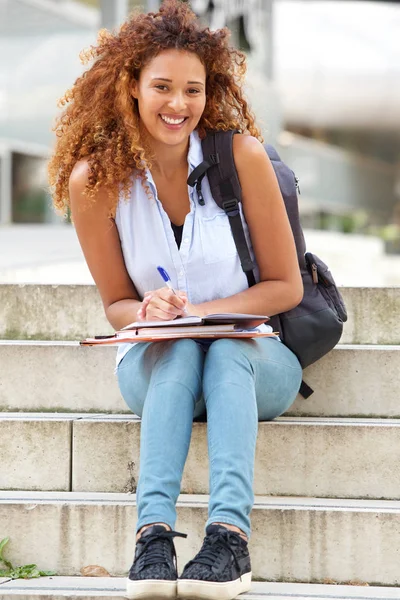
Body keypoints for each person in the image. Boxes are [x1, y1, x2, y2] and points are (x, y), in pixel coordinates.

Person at [48, 1, 303, 598]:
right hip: (160, 364)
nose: (178, 104)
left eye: (193, 89)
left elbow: (286, 287)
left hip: (256, 360)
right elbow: (115, 302)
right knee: (184, 350)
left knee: (221, 351)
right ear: (131, 87)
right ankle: (152, 541)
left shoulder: (241, 159)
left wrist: (207, 316)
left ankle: (229, 541)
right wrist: (146, 312)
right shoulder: (96, 181)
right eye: (161, 86)